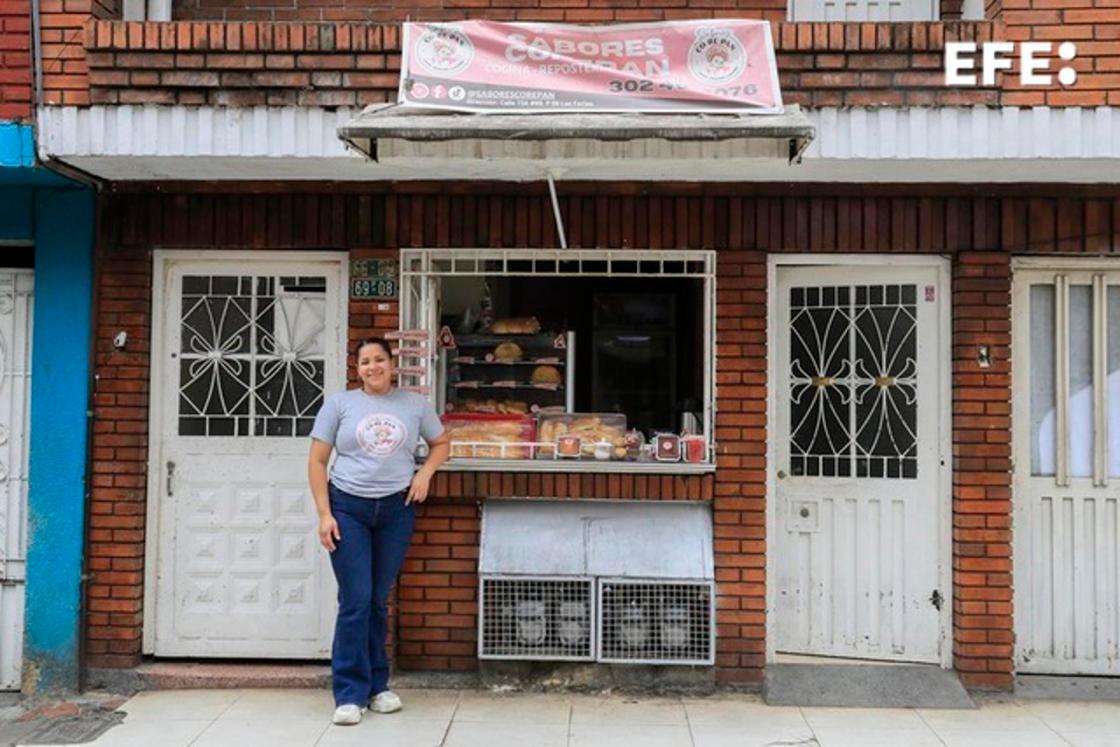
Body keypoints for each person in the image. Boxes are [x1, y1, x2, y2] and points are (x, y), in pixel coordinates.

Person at [308, 337, 450, 726]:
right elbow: (318, 461)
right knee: (355, 598)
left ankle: (378, 686)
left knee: (376, 599)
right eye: (365, 362)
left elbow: (440, 443)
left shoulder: (414, 404)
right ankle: (349, 694)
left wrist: (425, 473)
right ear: (358, 369)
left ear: (392, 363)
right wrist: (325, 514)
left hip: (395, 509)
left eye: (379, 360)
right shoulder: (339, 404)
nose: (372, 367)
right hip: (347, 507)